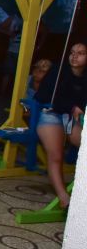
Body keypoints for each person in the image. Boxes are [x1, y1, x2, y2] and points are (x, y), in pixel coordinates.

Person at [35, 42, 87, 207]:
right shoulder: (58, 71)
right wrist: (73, 106)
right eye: (72, 52)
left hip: (69, 117)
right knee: (56, 156)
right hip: (51, 114)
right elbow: (45, 97)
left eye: (81, 53)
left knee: (83, 145)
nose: (74, 56)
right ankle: (64, 197)